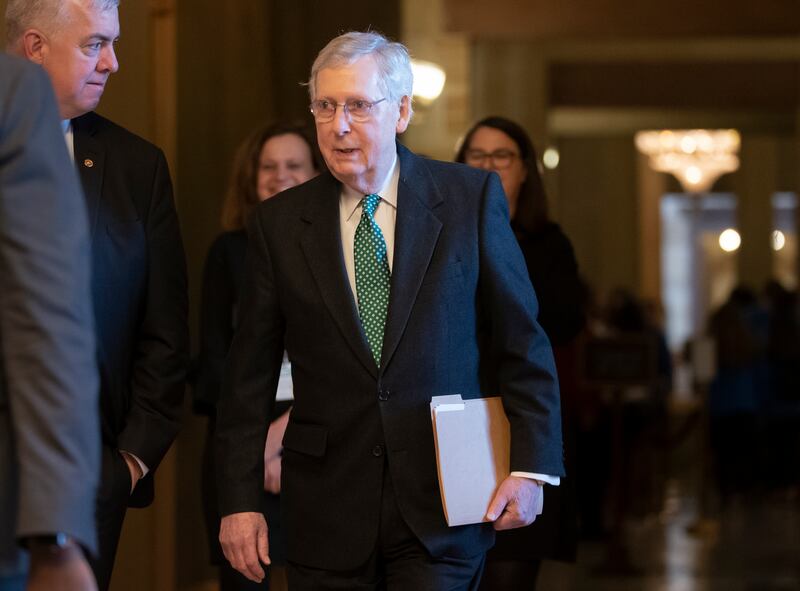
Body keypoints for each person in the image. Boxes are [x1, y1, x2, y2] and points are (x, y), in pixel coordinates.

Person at [216, 31, 564, 591]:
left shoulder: (468, 199)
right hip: (326, 510)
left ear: (401, 111)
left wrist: (530, 467)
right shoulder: (278, 224)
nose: (339, 125)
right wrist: (239, 501)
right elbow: (247, 377)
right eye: (325, 106)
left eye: (358, 105)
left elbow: (522, 341)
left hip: (445, 504)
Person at [6, 1, 190, 588]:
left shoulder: (137, 167)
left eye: (113, 43)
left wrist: (128, 463)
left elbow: (165, 332)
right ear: (36, 47)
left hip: (84, 485)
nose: (113, 63)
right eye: (95, 44)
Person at [456, 116, 584, 589]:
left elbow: (564, 323)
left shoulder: (549, 244)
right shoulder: (444, 235)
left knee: (513, 563)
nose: (488, 165)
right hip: (461, 411)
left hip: (524, 412)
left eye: (501, 156)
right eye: (477, 155)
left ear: (525, 169)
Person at [193, 122, 321, 590]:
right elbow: (213, 363)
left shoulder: (338, 247)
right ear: (251, 177)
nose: (280, 175)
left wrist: (281, 436)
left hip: (321, 434)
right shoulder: (227, 252)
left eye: (294, 165)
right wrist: (256, 447)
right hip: (240, 440)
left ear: (317, 173)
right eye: (268, 166)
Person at [0, 54, 99, 591]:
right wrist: (56, 533)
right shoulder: (15, 91)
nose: (111, 62)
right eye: (94, 44)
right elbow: (44, 311)